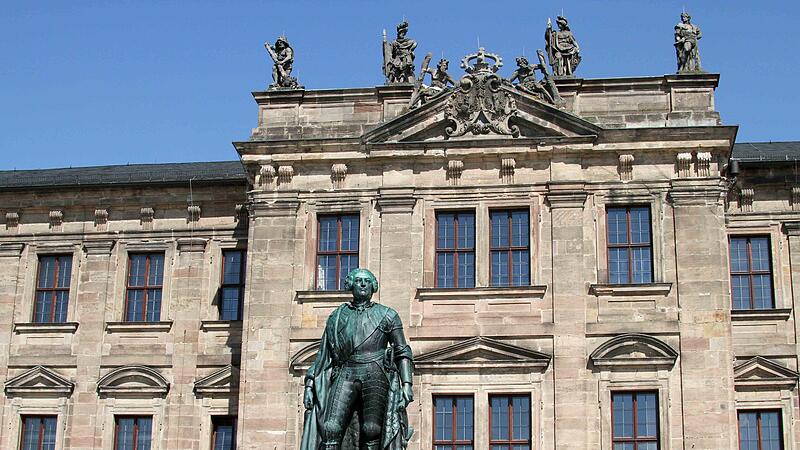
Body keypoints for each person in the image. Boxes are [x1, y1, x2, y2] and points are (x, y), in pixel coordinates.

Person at [300, 268, 414, 450]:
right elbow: (324, 355)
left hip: (375, 372)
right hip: (346, 371)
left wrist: (407, 383)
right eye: (358, 280)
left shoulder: (388, 315)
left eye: (367, 281)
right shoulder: (336, 317)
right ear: (350, 284)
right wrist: (309, 384)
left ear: (373, 286)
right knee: (330, 427)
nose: (362, 284)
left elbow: (402, 351)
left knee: (372, 429)